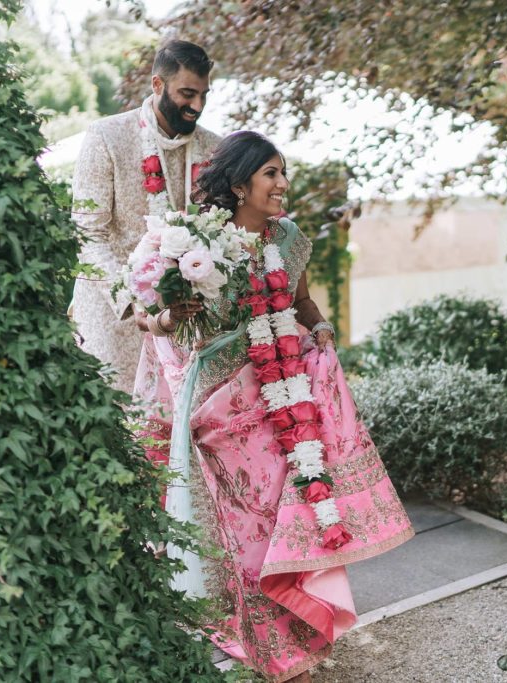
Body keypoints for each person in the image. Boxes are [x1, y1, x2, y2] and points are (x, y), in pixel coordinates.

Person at [133, 132, 413, 682]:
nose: (283, 185)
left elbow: (301, 300)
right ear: (239, 185)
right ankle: (272, 654)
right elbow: (146, 314)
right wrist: (169, 318)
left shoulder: (288, 238)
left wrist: (323, 330)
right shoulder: (195, 241)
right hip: (221, 407)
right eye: (271, 174)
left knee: (293, 523)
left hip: (284, 399)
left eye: (284, 172)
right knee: (247, 534)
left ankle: (299, 643)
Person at [70, 39, 221, 393]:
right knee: (119, 420)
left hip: (186, 318)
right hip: (114, 315)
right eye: (187, 93)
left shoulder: (214, 149)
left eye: (203, 95)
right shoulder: (106, 136)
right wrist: (131, 298)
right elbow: (87, 232)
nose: (196, 106)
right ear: (157, 85)